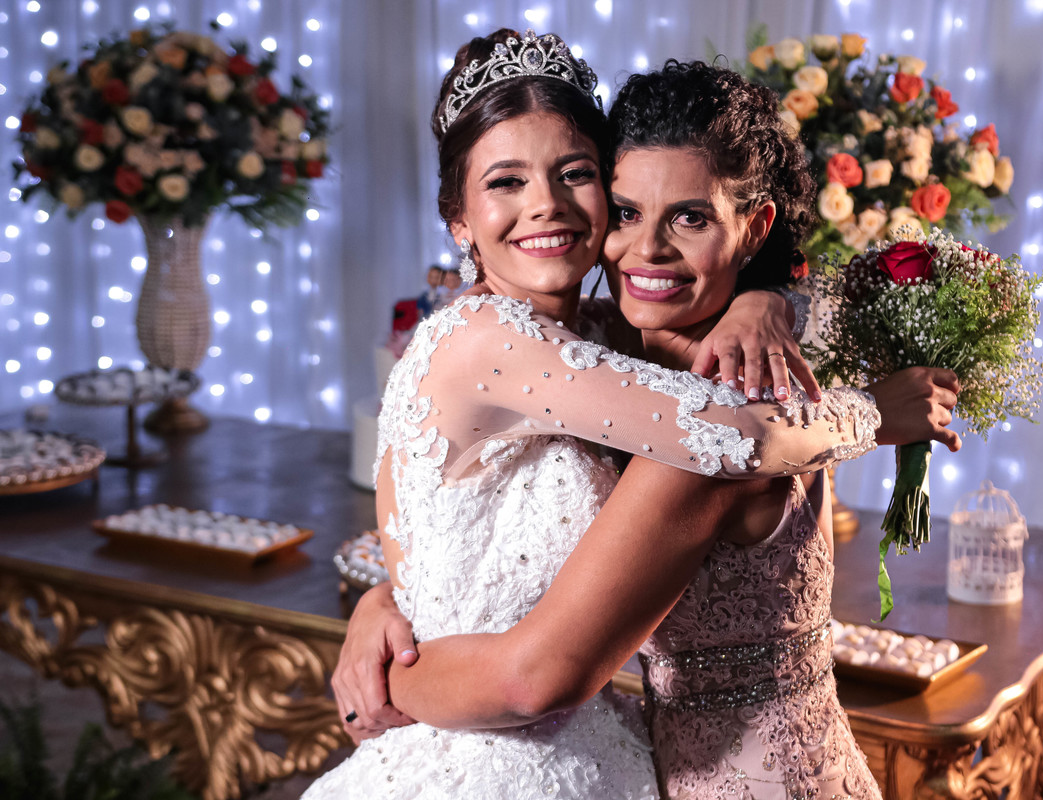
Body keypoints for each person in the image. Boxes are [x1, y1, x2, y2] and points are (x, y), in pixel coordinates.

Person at [310, 31, 959, 800]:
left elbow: (730, 417)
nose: (546, 205)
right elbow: (734, 432)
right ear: (458, 218)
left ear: (752, 227)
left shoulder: (614, 354)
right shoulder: (510, 344)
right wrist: (388, 608)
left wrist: (767, 299)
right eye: (507, 182)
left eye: (575, 175)